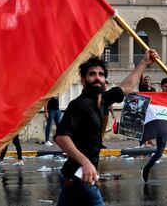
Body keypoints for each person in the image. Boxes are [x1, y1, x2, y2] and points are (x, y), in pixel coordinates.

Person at [54, 49, 158, 206]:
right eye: (92, 74)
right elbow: (61, 137)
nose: (97, 77)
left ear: (104, 80)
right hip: (79, 175)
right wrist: (86, 163)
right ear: (83, 80)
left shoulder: (102, 100)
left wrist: (144, 63)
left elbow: (127, 86)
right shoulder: (79, 105)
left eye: (101, 74)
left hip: (73, 177)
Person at [138, 75, 155, 147]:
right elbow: (141, 80)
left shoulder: (153, 89)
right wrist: (141, 73)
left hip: (150, 108)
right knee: (144, 125)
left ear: (150, 81)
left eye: (148, 79)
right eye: (145, 80)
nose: (147, 81)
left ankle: (150, 140)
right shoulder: (142, 87)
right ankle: (145, 143)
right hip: (143, 108)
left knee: (150, 124)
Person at [100, 81, 115, 149]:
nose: (105, 86)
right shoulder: (98, 93)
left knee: (103, 129)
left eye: (106, 85)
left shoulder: (108, 94)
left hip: (106, 113)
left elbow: (110, 104)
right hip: (98, 113)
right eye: (104, 85)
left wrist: (112, 113)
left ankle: (100, 143)